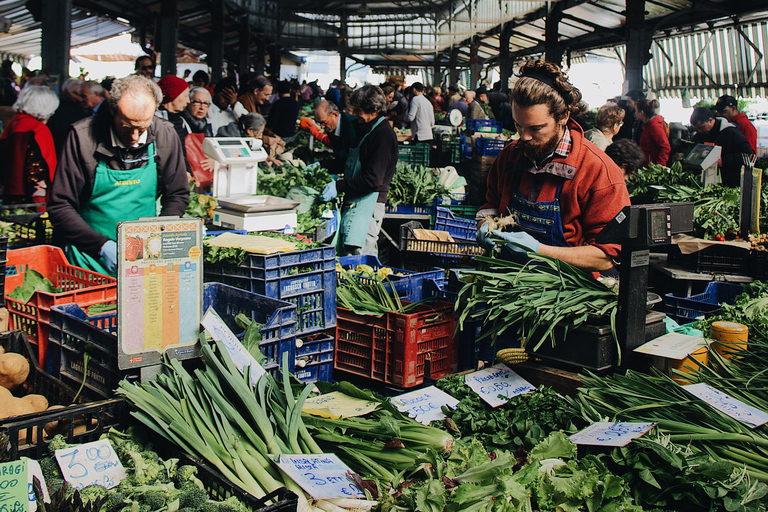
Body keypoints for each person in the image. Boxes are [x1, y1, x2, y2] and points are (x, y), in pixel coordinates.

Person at [475, 59, 630, 272]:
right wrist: (485, 225)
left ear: (563, 116)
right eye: (518, 125)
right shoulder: (510, 156)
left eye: (536, 128)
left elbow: (606, 256)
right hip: (511, 280)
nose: (525, 137)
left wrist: (540, 251)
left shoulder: (598, 170)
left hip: (567, 294)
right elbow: (491, 204)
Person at [47, 74, 189, 276]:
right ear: (112, 110)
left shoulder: (165, 134)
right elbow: (60, 206)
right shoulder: (82, 137)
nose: (134, 136)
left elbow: (178, 195)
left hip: (145, 258)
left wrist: (158, 236)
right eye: (127, 126)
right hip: (89, 261)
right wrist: (102, 247)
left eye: (142, 127)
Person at [319, 85, 398, 257]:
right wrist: (322, 166)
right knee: (350, 254)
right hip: (356, 200)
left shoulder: (382, 135)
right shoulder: (367, 129)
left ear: (374, 110)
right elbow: (351, 162)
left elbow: (373, 180)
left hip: (369, 204)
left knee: (360, 258)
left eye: (359, 111)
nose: (355, 115)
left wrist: (339, 186)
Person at [0, 85, 59, 205]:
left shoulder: (14, 124)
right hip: (31, 200)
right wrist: (41, 205)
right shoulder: (37, 129)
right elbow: (38, 172)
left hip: (11, 195)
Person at [690, 106, 755, 188]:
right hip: (708, 183)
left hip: (731, 183)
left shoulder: (731, 132)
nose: (700, 131)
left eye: (702, 127)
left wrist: (724, 160)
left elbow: (749, 155)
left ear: (710, 120)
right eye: (697, 129)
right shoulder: (701, 135)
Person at [299, 100, 357, 174]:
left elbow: (351, 161)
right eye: (319, 123)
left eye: (323, 122)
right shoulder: (332, 127)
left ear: (335, 114)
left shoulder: (351, 127)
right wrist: (322, 165)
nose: (322, 127)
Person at [217, 113, 284, 168]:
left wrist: (263, 158)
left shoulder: (244, 135)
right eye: (259, 133)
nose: (260, 137)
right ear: (250, 130)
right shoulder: (231, 138)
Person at [181, 87, 215, 187]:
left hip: (206, 176)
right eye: (197, 102)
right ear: (189, 102)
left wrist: (214, 160)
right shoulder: (180, 123)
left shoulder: (207, 125)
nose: (202, 107)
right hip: (188, 176)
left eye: (205, 103)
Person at [47, 78, 88, 156]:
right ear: (66, 93)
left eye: (80, 94)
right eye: (75, 93)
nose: (79, 98)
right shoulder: (58, 108)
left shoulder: (84, 108)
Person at [156, 75, 191, 157]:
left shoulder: (182, 121)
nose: (188, 101)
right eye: (185, 96)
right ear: (173, 95)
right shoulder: (156, 121)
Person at [635, 98, 670, 166]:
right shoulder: (647, 126)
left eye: (636, 111)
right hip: (648, 165)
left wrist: (659, 165)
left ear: (641, 112)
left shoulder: (654, 127)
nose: (635, 113)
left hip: (652, 168)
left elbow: (665, 147)